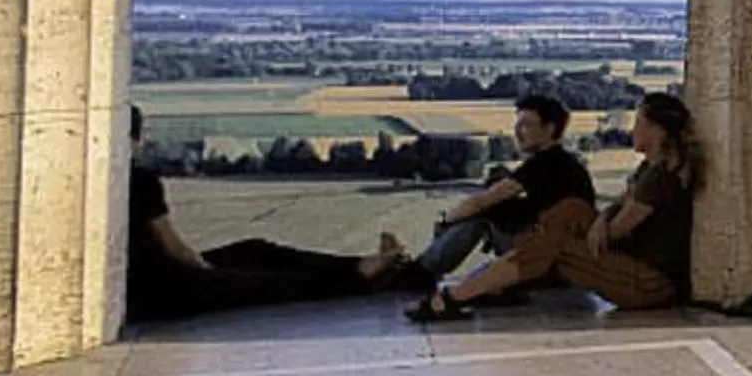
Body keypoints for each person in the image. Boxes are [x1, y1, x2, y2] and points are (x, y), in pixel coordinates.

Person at [407, 93, 698, 320]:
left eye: (640, 123)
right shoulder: (649, 168)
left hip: (651, 285)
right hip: (633, 270)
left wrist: (596, 225)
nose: (633, 129)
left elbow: (617, 233)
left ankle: (453, 296)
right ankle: (480, 287)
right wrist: (603, 216)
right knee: (570, 210)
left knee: (553, 236)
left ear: (658, 132)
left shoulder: (658, 179)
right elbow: (620, 205)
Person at [124, 107, 415, 321]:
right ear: (135, 138)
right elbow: (173, 246)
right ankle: (357, 278)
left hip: (154, 281)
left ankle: (361, 264)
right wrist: (211, 272)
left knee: (256, 250)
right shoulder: (139, 180)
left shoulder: (128, 179)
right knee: (270, 283)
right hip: (163, 289)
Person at [394, 94, 596, 291]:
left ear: (549, 129)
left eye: (526, 125)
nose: (518, 132)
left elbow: (484, 201)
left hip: (551, 263)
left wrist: (447, 219)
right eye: (517, 125)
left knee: (482, 215)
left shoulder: (546, 163)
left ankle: (417, 274)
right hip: (562, 261)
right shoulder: (564, 163)